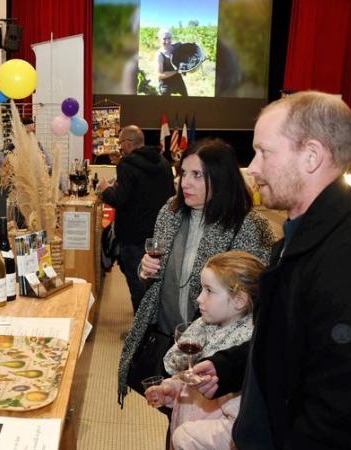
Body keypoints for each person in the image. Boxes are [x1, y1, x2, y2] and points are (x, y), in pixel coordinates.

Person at [192, 91, 351, 449]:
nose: (253, 167)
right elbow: (289, 345)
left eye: (264, 152)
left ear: (311, 156)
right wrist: (230, 367)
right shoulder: (301, 234)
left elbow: (339, 417)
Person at [117, 137, 274, 406]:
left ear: (221, 178)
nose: (184, 183)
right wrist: (146, 271)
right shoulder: (170, 211)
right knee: (173, 411)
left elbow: (253, 299)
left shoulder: (248, 225)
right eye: (184, 173)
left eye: (197, 175)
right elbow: (159, 281)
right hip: (168, 334)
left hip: (216, 348)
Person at [145, 251, 265, 450]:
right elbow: (193, 381)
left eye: (209, 290)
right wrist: (173, 390)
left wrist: (188, 437)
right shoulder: (205, 326)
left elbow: (237, 427)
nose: (199, 299)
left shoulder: (244, 359)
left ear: (239, 301)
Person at [98, 125, 175, 314]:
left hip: (133, 236)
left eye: (120, 143)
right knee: (154, 281)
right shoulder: (164, 162)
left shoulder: (127, 165)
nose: (119, 147)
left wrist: (105, 190)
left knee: (135, 281)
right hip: (159, 234)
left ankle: (141, 333)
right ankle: (154, 324)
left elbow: (120, 200)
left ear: (128, 143)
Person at [156, 30, 188, 97]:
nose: (167, 41)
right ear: (159, 39)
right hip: (166, 84)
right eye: (164, 39)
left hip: (178, 80)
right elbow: (159, 75)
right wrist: (177, 71)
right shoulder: (159, 55)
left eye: (169, 38)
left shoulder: (176, 48)